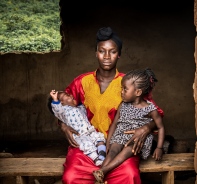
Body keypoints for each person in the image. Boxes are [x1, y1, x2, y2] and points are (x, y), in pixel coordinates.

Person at [58, 26, 164, 184]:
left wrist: (146, 128)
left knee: (129, 175)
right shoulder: (82, 82)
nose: (107, 56)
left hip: (120, 145)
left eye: (112, 51)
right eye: (102, 51)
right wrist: (63, 126)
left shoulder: (129, 83)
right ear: (96, 53)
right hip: (87, 146)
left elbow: (157, 114)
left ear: (119, 54)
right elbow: (61, 109)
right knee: (71, 177)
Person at [92, 68, 165, 183]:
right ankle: (100, 175)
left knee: (127, 152)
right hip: (120, 135)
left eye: (125, 89)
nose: (122, 92)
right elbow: (115, 123)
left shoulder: (150, 109)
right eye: (122, 89)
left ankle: (103, 171)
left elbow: (160, 127)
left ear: (138, 92)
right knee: (112, 151)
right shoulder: (123, 105)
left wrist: (159, 147)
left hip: (137, 140)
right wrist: (108, 142)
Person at [49, 90, 106, 166]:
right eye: (67, 95)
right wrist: (55, 100)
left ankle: (102, 156)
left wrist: (76, 102)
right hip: (80, 135)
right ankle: (96, 159)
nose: (70, 95)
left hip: (90, 131)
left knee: (99, 138)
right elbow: (57, 111)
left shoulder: (79, 108)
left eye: (69, 94)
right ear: (61, 103)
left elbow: (83, 103)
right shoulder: (64, 112)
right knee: (87, 145)